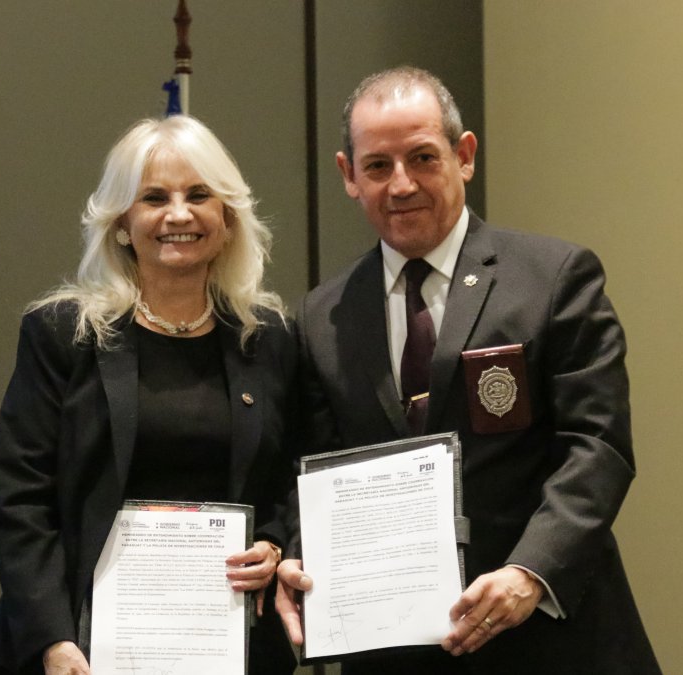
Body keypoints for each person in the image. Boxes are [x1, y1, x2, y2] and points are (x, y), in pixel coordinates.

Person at [276, 67, 660, 673]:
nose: (401, 184)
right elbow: (318, 468)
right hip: (396, 653)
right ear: (349, 176)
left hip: (550, 640)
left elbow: (598, 446)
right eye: (378, 166)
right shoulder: (323, 315)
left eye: (422, 158)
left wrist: (530, 571)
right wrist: (302, 554)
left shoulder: (553, 278)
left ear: (465, 156)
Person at [0, 115, 298, 675]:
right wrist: (53, 641)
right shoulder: (63, 334)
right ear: (123, 221)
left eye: (199, 194)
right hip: (80, 649)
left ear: (226, 218)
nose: (179, 214)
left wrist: (272, 543)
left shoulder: (266, 337)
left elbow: (286, 477)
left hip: (227, 648)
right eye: (154, 197)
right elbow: (23, 503)